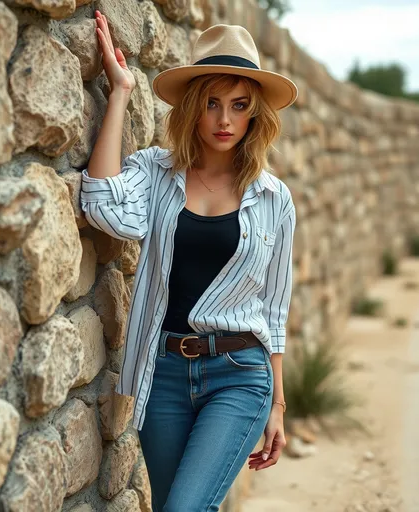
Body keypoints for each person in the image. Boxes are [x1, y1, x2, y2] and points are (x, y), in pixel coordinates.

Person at [82, 10, 298, 512]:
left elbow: (275, 309)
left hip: (240, 373)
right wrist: (119, 93)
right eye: (212, 104)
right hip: (165, 374)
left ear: (256, 113)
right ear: (193, 109)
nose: (225, 121)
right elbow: (101, 204)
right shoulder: (157, 172)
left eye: (239, 106)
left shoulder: (274, 199)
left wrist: (279, 406)